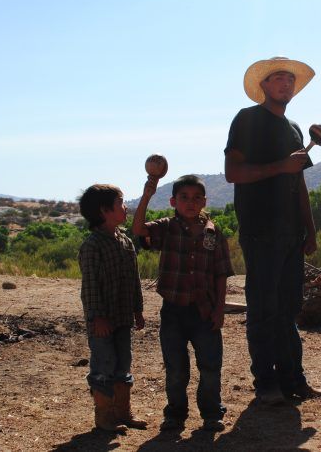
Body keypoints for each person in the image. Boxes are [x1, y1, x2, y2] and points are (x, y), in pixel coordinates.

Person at [224, 56, 321, 405]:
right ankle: (266, 384)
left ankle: (294, 381)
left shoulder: (294, 128)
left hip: (290, 234)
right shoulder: (247, 119)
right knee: (262, 310)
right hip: (260, 230)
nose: (287, 84)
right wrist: (280, 166)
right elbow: (233, 173)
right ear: (264, 86)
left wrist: (309, 230)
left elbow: (299, 183)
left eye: (290, 80)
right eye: (279, 79)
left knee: (287, 310)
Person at [132, 174, 234, 432]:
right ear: (173, 201)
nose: (191, 202)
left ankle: (212, 413)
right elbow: (139, 230)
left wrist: (220, 310)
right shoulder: (166, 228)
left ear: (204, 201)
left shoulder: (213, 232)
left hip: (205, 311)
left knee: (210, 367)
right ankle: (175, 414)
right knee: (176, 369)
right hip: (173, 312)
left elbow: (221, 273)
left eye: (197, 198)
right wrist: (146, 196)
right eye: (184, 197)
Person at [78, 184, 147, 432]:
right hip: (102, 321)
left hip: (123, 316)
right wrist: (97, 317)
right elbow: (90, 285)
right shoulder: (92, 245)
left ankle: (123, 412)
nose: (125, 207)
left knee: (123, 362)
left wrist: (137, 310)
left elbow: (134, 280)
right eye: (120, 203)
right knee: (104, 364)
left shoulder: (126, 242)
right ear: (105, 210)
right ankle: (104, 417)